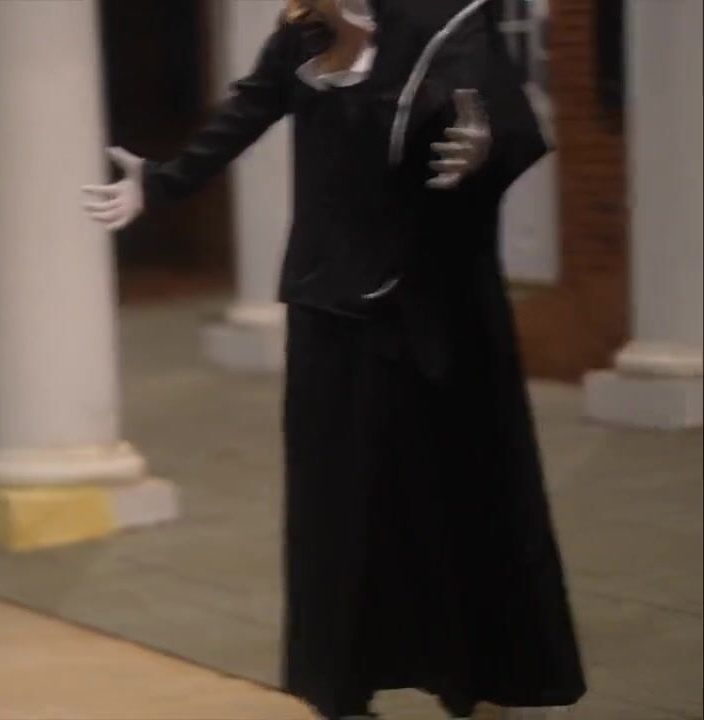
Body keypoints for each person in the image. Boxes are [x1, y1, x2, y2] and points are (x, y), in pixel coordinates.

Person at [82, 1, 587, 718]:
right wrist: (158, 182)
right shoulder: (300, 42)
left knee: (454, 490)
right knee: (339, 507)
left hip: (437, 306)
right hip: (331, 308)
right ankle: (344, 689)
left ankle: (478, 680)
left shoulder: (447, 22)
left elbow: (500, 119)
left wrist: (484, 148)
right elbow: (243, 117)